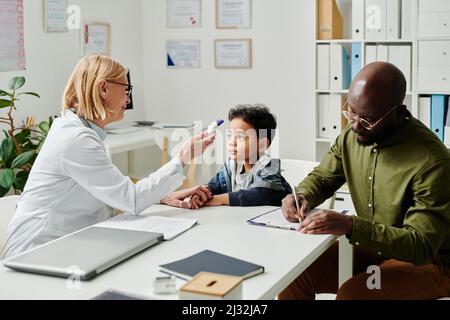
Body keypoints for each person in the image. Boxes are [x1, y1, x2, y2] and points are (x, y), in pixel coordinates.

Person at [2, 55, 215, 259]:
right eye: (126, 89)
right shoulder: (76, 138)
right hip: (36, 252)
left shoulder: (79, 131)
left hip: (65, 245)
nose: (128, 98)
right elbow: (129, 199)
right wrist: (182, 159)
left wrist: (162, 196)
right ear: (104, 88)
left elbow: (108, 192)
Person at [279, 62, 450, 300]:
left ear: (399, 113)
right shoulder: (353, 134)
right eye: (351, 112)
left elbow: (420, 245)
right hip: (372, 247)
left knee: (354, 295)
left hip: (430, 263)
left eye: (368, 119)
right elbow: (323, 177)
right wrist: (301, 195)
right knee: (293, 274)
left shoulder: (432, 162)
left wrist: (350, 226)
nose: (355, 125)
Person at [161, 104, 292, 208]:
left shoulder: (270, 166)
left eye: (240, 137)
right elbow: (215, 186)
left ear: (262, 144)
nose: (232, 142)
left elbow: (260, 194)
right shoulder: (232, 165)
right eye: (230, 136)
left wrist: (217, 199)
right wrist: (201, 195)